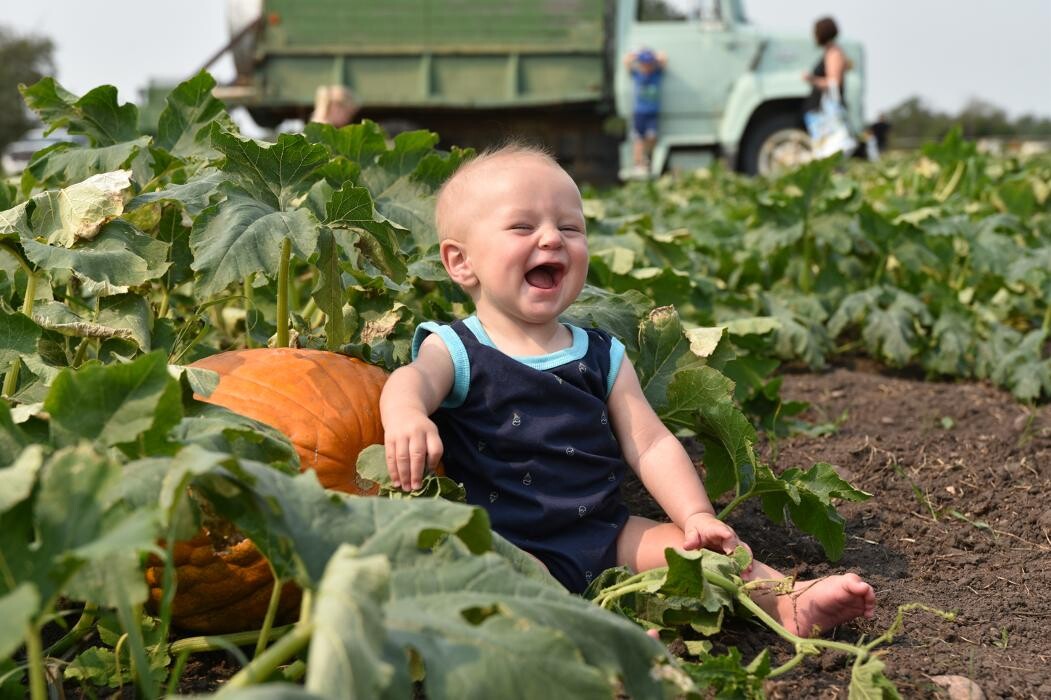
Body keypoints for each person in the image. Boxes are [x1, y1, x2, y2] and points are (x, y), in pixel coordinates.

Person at [378, 144, 875, 637]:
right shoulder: (457, 348)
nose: (552, 238)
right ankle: (606, 640)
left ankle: (787, 600)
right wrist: (407, 416)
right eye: (524, 227)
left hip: (608, 533)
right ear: (461, 262)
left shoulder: (601, 354)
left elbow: (652, 443)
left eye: (570, 228)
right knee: (523, 593)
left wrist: (695, 515)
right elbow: (413, 380)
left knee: (705, 555)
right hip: (504, 541)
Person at [801, 17, 856, 160]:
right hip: (821, 110)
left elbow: (833, 82)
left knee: (830, 150)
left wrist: (811, 79)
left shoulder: (834, 53)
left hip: (826, 112)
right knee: (825, 149)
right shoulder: (830, 52)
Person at [623, 47, 667, 176]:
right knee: (638, 139)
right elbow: (626, 61)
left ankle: (647, 160)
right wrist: (637, 54)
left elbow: (664, 57)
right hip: (639, 112)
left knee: (652, 137)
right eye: (644, 64)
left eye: (649, 64)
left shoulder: (656, 74)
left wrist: (652, 54)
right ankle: (638, 164)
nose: (647, 67)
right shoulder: (637, 74)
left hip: (653, 112)